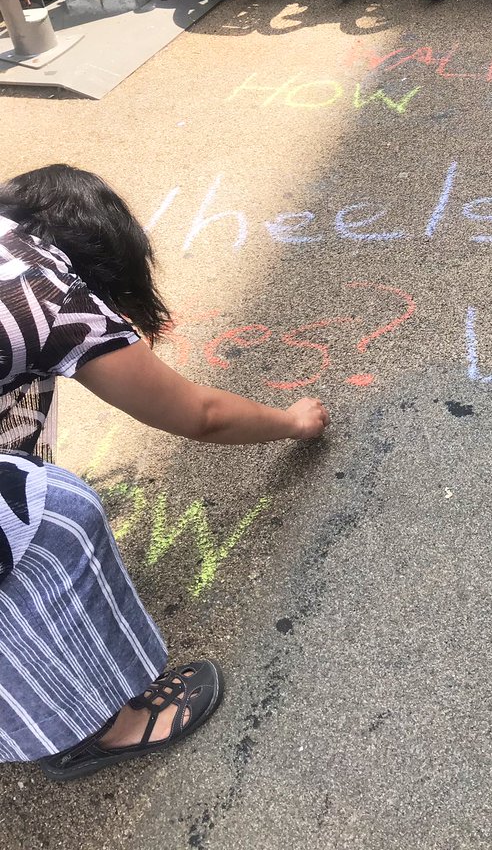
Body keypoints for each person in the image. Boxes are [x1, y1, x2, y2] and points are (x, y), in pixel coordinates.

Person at [0, 164, 329, 780]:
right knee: (53, 520)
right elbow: (200, 415)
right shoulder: (51, 297)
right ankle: (98, 727)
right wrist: (291, 421)